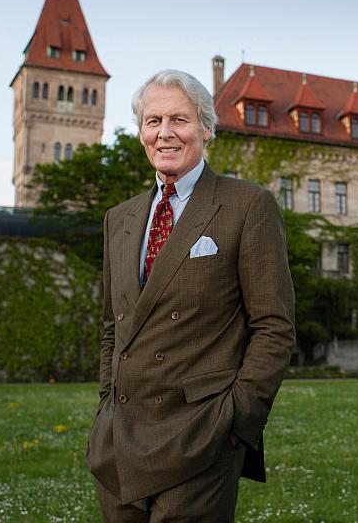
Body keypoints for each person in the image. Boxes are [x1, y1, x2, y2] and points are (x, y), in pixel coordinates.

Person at [86, 69, 296, 521]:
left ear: (205, 128)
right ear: (141, 132)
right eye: (152, 120)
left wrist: (236, 422)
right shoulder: (118, 219)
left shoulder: (247, 205)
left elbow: (273, 329)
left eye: (179, 120)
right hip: (119, 442)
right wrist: (106, 406)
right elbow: (113, 326)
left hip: (200, 439)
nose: (165, 133)